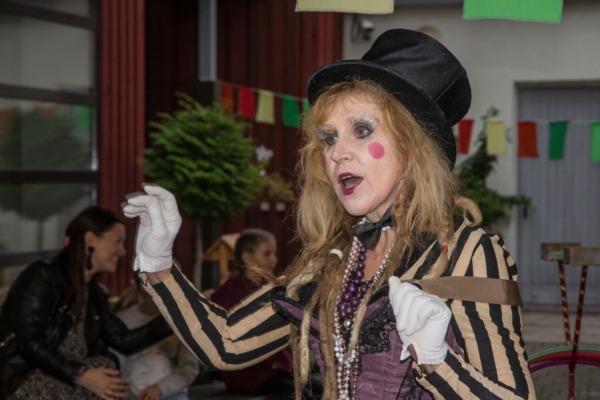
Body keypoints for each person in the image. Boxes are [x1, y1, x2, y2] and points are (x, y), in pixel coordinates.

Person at [122, 29, 536, 399]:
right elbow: (227, 344)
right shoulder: (334, 257)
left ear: (413, 149)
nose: (337, 153)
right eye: (329, 138)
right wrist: (159, 267)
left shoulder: (469, 253)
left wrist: (437, 362)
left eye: (362, 130)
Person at [0, 206, 172, 400]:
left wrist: (176, 317)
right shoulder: (42, 275)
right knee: (105, 372)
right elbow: (27, 342)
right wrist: (81, 375)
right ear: (90, 239)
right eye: (118, 241)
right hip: (27, 381)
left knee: (107, 371)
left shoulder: (96, 293)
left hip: (69, 380)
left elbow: (123, 340)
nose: (123, 251)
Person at [211, 228, 322, 399]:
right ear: (247, 257)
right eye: (267, 254)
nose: (274, 259)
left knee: (323, 389)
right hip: (248, 372)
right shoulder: (231, 292)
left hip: (276, 369)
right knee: (299, 396)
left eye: (274, 254)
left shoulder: (268, 288)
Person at [111, 277, 200, 400]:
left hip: (170, 394)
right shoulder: (122, 320)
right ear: (140, 285)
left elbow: (188, 368)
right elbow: (114, 363)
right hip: (129, 393)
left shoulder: (183, 321)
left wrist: (159, 388)